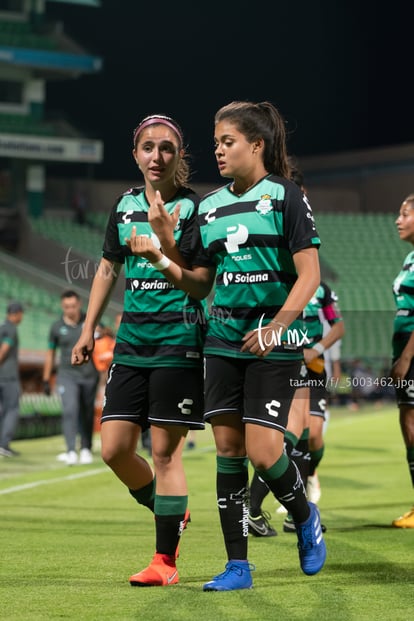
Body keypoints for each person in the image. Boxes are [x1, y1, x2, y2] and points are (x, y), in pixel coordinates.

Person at [126, 101, 327, 591]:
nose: (217, 149)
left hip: (271, 345)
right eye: (215, 141)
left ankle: (305, 515)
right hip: (222, 343)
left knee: (264, 452)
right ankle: (238, 566)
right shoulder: (210, 206)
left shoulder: (285, 195)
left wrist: (279, 325)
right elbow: (197, 283)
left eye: (227, 141)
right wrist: (163, 249)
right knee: (228, 451)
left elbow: (310, 274)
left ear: (256, 146)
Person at [71, 114, 205, 586]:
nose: (156, 155)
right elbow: (108, 268)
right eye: (148, 147)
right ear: (135, 154)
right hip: (130, 343)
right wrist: (88, 329)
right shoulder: (123, 205)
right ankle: (171, 512)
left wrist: (165, 239)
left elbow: (198, 281)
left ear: (179, 156)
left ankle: (164, 562)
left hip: (178, 342)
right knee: (114, 450)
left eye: (166, 148)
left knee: (166, 455)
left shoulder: (194, 209)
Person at [43, 290, 99, 466]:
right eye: (67, 306)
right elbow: (50, 353)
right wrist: (46, 379)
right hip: (67, 376)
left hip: (90, 376)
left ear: (79, 305)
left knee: (87, 413)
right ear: (62, 306)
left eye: (73, 306)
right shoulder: (56, 327)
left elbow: (104, 345)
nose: (70, 310)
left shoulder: (91, 323)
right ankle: (70, 450)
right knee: (70, 410)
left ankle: (85, 448)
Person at [389, 193, 414, 528]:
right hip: (406, 351)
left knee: (411, 426)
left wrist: (406, 358)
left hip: (412, 354)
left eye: (405, 213)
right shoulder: (410, 258)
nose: (398, 219)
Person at [0, 301, 24, 457]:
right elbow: (4, 350)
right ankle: (3, 445)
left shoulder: (2, 326)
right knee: (12, 409)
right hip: (7, 376)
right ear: (16, 313)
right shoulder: (11, 329)